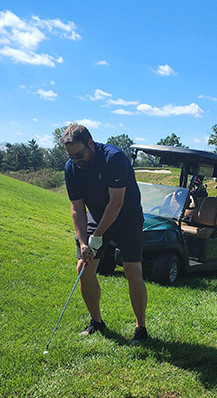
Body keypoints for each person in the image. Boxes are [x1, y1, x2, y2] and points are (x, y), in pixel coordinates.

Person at [61, 124, 148, 343]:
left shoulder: (114, 158)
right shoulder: (71, 168)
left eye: (79, 154)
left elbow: (116, 203)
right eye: (71, 156)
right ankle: (96, 322)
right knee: (84, 266)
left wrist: (97, 237)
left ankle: (141, 328)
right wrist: (83, 243)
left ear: (91, 143)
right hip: (97, 216)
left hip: (127, 218)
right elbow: (77, 209)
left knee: (132, 270)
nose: (76, 160)